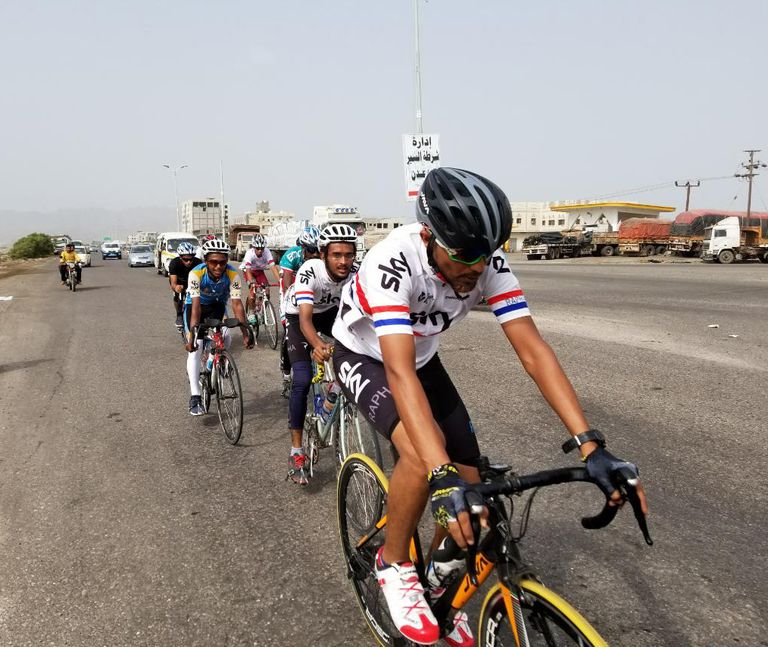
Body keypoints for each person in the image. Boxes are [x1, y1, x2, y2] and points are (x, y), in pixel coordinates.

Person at [331, 167, 649, 646]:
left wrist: (591, 443)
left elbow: (533, 350)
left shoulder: (486, 264)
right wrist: (439, 472)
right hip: (367, 354)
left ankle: (439, 578)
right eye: (464, 255)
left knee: (471, 482)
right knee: (424, 458)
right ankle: (393, 563)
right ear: (428, 235)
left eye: (487, 254)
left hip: (421, 356)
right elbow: (398, 372)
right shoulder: (392, 262)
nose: (477, 267)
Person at [284, 224, 358, 485]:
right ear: (324, 254)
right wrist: (316, 344)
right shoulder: (309, 270)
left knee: (355, 360)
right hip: (299, 316)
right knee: (302, 380)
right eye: (337, 255)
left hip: (329, 315)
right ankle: (296, 452)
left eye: (349, 255)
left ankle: (329, 402)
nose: (343, 261)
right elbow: (305, 321)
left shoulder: (356, 274)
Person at [184, 239, 252, 416]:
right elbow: (196, 307)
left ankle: (215, 361)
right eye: (214, 262)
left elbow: (237, 305)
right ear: (206, 261)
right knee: (195, 349)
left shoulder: (232, 274)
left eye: (222, 262)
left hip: (217, 306)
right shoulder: (196, 274)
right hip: (196, 307)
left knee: (226, 336)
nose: (218, 266)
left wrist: (245, 332)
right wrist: (192, 336)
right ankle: (195, 396)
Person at [277, 226, 321, 395]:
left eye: (318, 250)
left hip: (310, 292)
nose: (315, 254)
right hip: (290, 295)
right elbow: (288, 287)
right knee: (290, 331)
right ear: (303, 248)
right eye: (311, 250)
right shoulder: (291, 255)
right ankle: (287, 371)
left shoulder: (320, 258)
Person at [239, 235, 281, 324]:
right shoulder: (249, 253)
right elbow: (248, 270)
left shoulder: (267, 252)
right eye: (257, 248)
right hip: (249, 271)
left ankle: (261, 311)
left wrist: (279, 281)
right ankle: (251, 313)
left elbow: (273, 267)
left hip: (259, 271)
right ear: (254, 247)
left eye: (262, 248)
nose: (260, 251)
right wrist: (251, 282)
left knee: (267, 290)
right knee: (252, 290)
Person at [168, 242, 197, 330]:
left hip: (193, 282)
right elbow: (173, 283)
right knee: (177, 295)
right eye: (185, 259)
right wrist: (176, 288)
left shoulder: (198, 262)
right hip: (179, 282)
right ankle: (179, 315)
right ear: (180, 257)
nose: (189, 262)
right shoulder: (174, 263)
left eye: (191, 259)